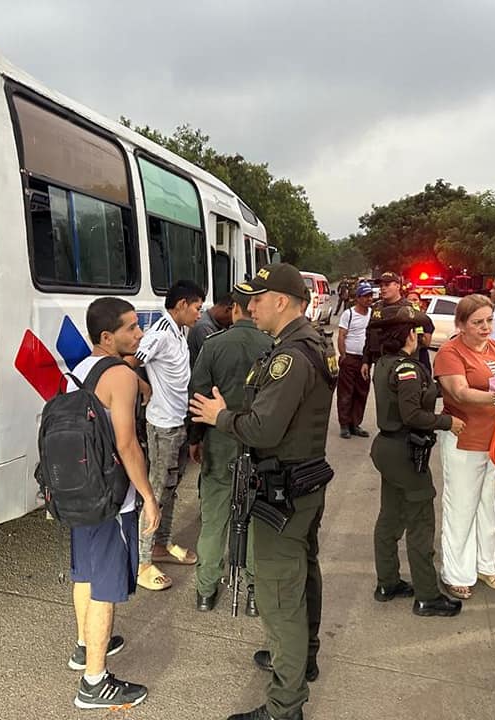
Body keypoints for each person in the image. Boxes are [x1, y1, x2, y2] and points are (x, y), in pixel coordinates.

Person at [190, 263, 337, 720]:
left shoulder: (290, 356)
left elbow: (262, 427)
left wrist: (220, 416)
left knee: (279, 599)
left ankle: (284, 705)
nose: (249, 307)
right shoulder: (308, 343)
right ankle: (301, 661)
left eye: (257, 298)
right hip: (302, 483)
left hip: (284, 491)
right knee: (300, 576)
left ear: (282, 301)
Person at [66, 298, 162, 710]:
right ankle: (94, 682)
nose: (139, 335)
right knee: (105, 585)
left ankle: (84, 645)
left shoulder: (78, 369)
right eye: (131, 329)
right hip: (110, 497)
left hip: (78, 490)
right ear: (108, 337)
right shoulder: (119, 376)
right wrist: (148, 495)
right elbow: (125, 443)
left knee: (85, 572)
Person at [370, 304, 464, 617]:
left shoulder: (385, 363)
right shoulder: (406, 368)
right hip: (405, 452)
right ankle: (427, 595)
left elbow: (415, 396)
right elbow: (412, 414)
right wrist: (447, 422)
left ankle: (388, 582)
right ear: (409, 334)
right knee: (421, 524)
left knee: (390, 517)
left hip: (387, 449)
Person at [188, 284, 273, 613]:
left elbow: (197, 397)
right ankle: (253, 592)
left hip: (219, 442)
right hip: (258, 443)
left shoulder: (213, 345)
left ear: (234, 308)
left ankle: (206, 591)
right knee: (253, 518)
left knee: (214, 520)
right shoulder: (273, 345)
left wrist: (196, 439)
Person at [433, 294, 495, 600]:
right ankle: (456, 571)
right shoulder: (450, 353)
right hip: (465, 439)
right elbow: (460, 392)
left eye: (489, 320)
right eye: (477, 322)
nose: (485, 328)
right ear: (461, 324)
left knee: (487, 505)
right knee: (460, 506)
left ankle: (485, 563)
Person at [134, 280, 204, 591]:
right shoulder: (160, 334)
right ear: (180, 306)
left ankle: (161, 546)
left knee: (172, 489)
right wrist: (143, 386)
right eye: (196, 307)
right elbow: (131, 361)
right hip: (162, 426)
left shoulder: (180, 331)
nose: (199, 313)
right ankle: (142, 560)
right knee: (156, 492)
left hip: (179, 423)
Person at [362, 271, 435, 376]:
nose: (383, 288)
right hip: (381, 363)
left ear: (397, 286)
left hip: (404, 364)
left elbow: (426, 326)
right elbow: (369, 335)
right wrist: (366, 361)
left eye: (387, 285)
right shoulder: (376, 307)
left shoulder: (409, 308)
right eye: (381, 285)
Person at [336, 283, 373, 439]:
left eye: (370, 296)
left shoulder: (373, 314)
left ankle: (355, 424)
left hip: (365, 360)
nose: (369, 299)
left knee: (361, 392)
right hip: (350, 358)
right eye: (365, 296)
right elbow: (342, 336)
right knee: (346, 393)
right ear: (357, 298)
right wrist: (343, 356)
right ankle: (344, 425)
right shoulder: (348, 314)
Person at [188, 294, 234, 368]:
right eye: (231, 321)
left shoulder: (216, 323)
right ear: (227, 310)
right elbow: (215, 360)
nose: (230, 324)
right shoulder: (204, 327)